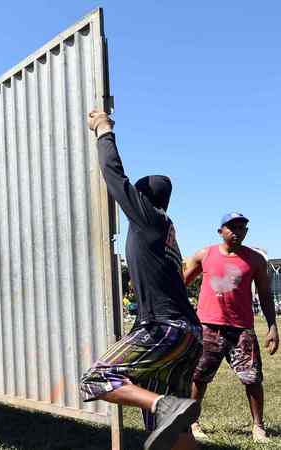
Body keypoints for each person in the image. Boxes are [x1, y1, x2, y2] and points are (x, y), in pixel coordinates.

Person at [79, 111, 203, 450]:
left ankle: (163, 405)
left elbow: (114, 175)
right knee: (173, 427)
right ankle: (167, 408)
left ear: (143, 198)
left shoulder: (148, 219)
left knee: (97, 378)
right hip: (189, 334)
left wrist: (103, 129)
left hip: (164, 328)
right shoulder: (164, 230)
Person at [184, 212, 278, 443]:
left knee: (252, 378)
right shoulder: (204, 255)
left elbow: (265, 295)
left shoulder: (255, 260)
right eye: (232, 227)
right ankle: (193, 423)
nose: (237, 232)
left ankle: (258, 426)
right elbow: (180, 284)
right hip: (208, 327)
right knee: (199, 377)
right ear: (220, 231)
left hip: (241, 329)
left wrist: (273, 327)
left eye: (242, 227)